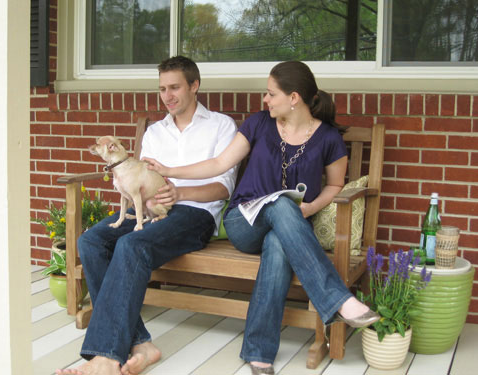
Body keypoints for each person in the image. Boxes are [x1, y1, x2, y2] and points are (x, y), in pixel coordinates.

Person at [144, 61, 380, 375]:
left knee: (279, 242)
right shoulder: (259, 124)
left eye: (271, 94)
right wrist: (169, 171)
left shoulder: (328, 138)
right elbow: (219, 164)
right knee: (281, 206)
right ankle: (338, 299)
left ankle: (259, 353)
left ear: (293, 98)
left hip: (289, 227)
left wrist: (310, 208)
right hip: (244, 222)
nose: (264, 100)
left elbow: (336, 185)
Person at [55, 56, 238, 375]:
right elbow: (138, 180)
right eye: (162, 89)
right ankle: (140, 343)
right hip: (151, 209)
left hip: (195, 215)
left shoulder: (221, 126)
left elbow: (224, 187)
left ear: (194, 86)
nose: (167, 96)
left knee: (131, 245)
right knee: (92, 241)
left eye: (175, 87)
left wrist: (180, 193)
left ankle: (106, 356)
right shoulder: (155, 132)